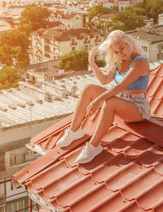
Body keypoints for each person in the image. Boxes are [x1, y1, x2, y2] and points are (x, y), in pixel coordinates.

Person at [56, 30, 151, 164]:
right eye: (116, 51)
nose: (120, 53)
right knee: (88, 88)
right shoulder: (119, 60)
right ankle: (74, 131)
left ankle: (94, 146)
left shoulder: (140, 62)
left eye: (122, 48)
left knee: (110, 101)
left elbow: (120, 86)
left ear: (128, 42)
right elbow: (104, 80)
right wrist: (91, 62)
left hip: (138, 108)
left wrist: (98, 100)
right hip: (121, 101)